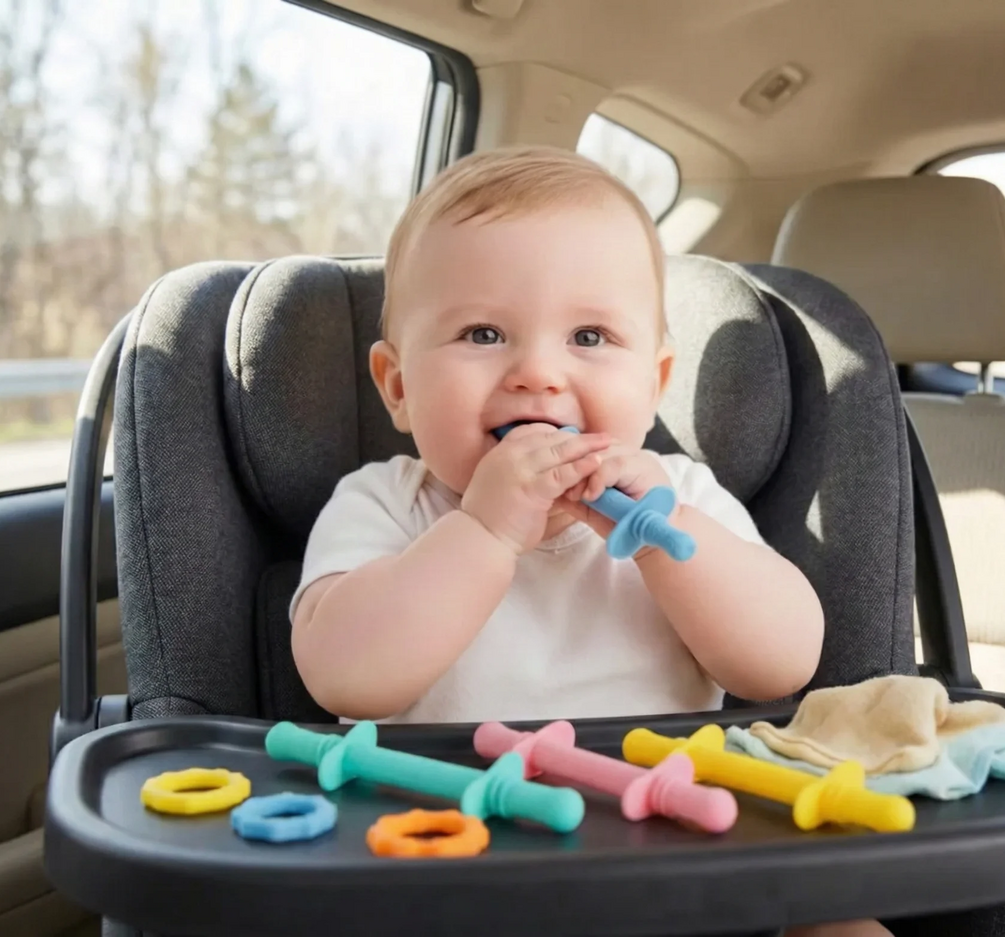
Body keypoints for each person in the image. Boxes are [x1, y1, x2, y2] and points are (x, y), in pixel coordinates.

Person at [288, 146, 887, 935]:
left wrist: (661, 536)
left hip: (675, 861)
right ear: (398, 386)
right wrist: (487, 528)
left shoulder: (683, 498)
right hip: (449, 869)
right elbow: (346, 676)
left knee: (844, 925)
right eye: (482, 331)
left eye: (592, 337)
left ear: (655, 380)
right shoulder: (386, 507)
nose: (538, 372)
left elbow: (782, 661)